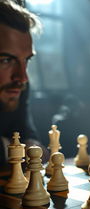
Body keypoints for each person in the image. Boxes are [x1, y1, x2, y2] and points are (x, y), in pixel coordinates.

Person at [0, 0, 48, 165]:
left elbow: (29, 139)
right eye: (6, 60)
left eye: (26, 60)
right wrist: (11, 147)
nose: (22, 78)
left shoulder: (19, 88)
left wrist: (31, 146)